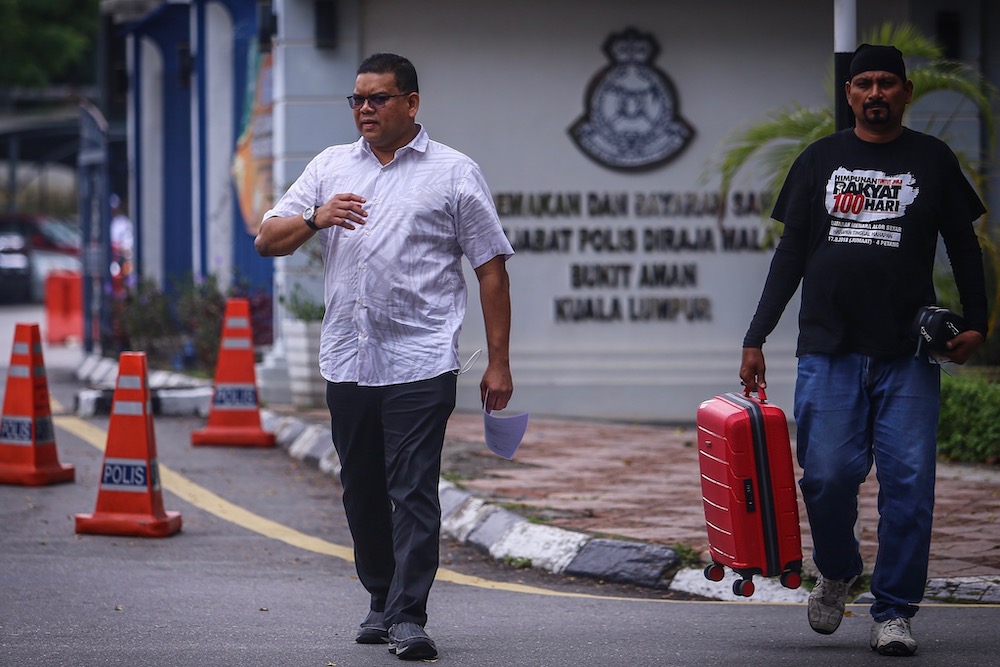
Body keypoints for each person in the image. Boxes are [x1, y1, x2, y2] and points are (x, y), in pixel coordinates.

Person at [254, 53, 514, 661]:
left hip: (422, 359)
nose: (364, 109)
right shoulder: (329, 167)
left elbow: (492, 271)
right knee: (361, 488)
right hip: (349, 358)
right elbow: (267, 239)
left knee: (414, 487)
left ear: (411, 104)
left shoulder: (453, 173)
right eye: (357, 100)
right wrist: (316, 218)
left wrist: (498, 362)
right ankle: (380, 596)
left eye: (377, 99)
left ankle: (408, 616)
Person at [739, 44, 988, 657]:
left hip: (908, 353)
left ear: (905, 92)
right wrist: (756, 335)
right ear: (848, 94)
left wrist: (978, 323)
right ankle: (840, 569)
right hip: (827, 348)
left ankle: (895, 612)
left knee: (908, 483)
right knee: (825, 476)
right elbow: (790, 254)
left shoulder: (932, 159)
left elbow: (963, 243)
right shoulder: (819, 160)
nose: (874, 93)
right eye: (863, 84)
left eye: (886, 83)